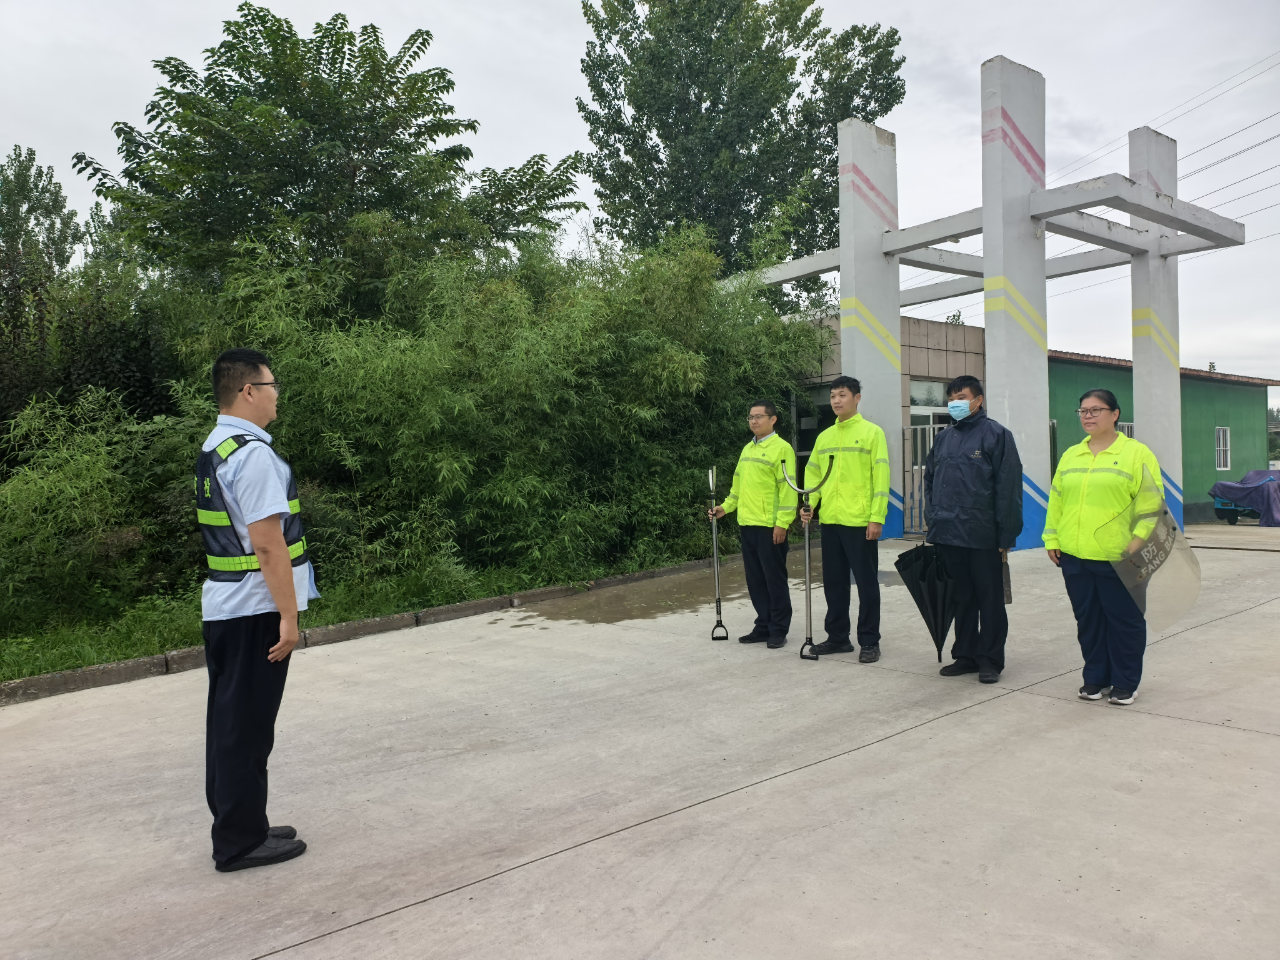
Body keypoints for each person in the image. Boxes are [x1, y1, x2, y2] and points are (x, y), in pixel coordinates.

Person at [197, 348, 319, 872]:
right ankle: (240, 841)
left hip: (227, 605)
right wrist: (289, 618)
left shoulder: (218, 445)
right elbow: (269, 545)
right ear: (248, 391)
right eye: (272, 386)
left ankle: (242, 821)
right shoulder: (252, 456)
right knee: (246, 728)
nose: (277, 396)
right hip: (254, 609)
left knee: (231, 724)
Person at [1043, 388, 1162, 706]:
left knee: (1125, 621)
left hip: (1119, 556)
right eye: (1083, 411)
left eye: (1096, 410)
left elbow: (1151, 504)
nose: (1088, 416)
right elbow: (1057, 501)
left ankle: (1125, 682)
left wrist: (1137, 541)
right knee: (1089, 621)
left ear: (1115, 414)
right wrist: (1052, 539)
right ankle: (1096, 677)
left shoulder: (1136, 454)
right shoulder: (1071, 455)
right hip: (1075, 556)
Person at [924, 375, 1023, 684]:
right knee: (960, 599)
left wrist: (1006, 534)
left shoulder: (997, 435)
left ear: (978, 400)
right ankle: (965, 655)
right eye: (952, 398)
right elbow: (930, 481)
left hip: (984, 536)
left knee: (989, 600)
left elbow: (1008, 488)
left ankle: (990, 659)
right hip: (948, 534)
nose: (955, 403)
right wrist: (934, 519)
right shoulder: (943, 438)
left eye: (962, 397)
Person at [798, 376, 890, 662]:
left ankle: (869, 642)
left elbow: (881, 478)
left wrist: (876, 517)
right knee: (834, 583)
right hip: (831, 521)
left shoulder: (872, 433)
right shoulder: (824, 437)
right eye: (833, 396)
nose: (836, 401)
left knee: (866, 584)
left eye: (842, 395)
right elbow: (813, 475)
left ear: (857, 398)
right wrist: (810, 504)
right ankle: (838, 638)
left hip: (860, 522)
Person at [709, 400, 798, 648]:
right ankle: (763, 626)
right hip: (747, 524)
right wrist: (725, 507)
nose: (754, 421)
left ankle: (778, 629)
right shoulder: (747, 449)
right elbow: (738, 489)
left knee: (774, 580)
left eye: (759, 416)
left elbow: (788, 491)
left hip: (770, 527)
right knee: (756, 580)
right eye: (750, 417)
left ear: (773, 419)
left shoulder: (782, 449)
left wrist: (782, 523)